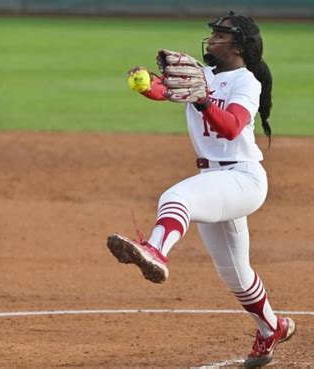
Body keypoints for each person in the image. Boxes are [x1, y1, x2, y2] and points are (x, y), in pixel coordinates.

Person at [107, 12, 295, 368]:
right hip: (216, 181)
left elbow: (232, 126)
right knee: (235, 273)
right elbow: (166, 90)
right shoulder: (203, 75)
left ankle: (156, 251)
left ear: (237, 45)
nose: (211, 40)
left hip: (243, 179)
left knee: (176, 197)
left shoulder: (247, 82)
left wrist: (203, 101)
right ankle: (272, 327)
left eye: (219, 36)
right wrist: (147, 83)